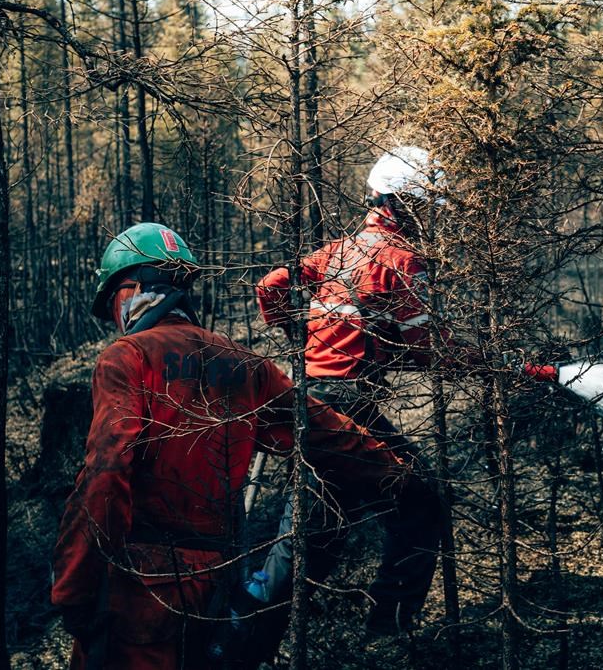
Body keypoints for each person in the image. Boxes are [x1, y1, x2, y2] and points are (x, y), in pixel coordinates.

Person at [250, 146, 560, 661]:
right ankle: (385, 639)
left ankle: (251, 639)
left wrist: (296, 335)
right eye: (427, 206)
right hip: (346, 407)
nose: (432, 216)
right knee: (418, 507)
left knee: (317, 529)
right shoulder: (399, 259)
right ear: (402, 203)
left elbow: (271, 285)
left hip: (319, 401)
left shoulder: (337, 250)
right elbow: (429, 347)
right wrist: (514, 368)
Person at [50, 222, 402, 670]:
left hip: (136, 588)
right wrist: (395, 473)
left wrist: (73, 588)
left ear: (132, 288)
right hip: (214, 583)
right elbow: (326, 431)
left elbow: (104, 475)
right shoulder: (246, 364)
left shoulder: (127, 357)